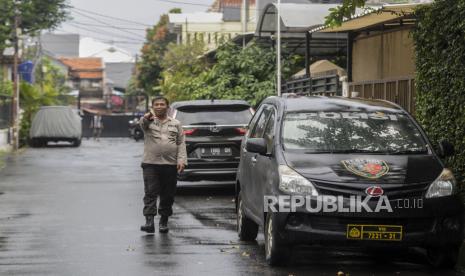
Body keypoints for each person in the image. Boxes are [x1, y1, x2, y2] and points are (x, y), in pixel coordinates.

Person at [139, 96, 187, 233]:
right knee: (150, 193)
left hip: (170, 164)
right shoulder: (148, 121)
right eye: (156, 105)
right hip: (150, 163)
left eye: (162, 104)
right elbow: (142, 124)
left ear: (167, 107)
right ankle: (149, 222)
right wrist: (147, 117)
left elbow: (181, 143)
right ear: (153, 107)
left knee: (168, 194)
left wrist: (181, 160)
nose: (159, 106)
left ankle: (164, 221)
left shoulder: (176, 123)